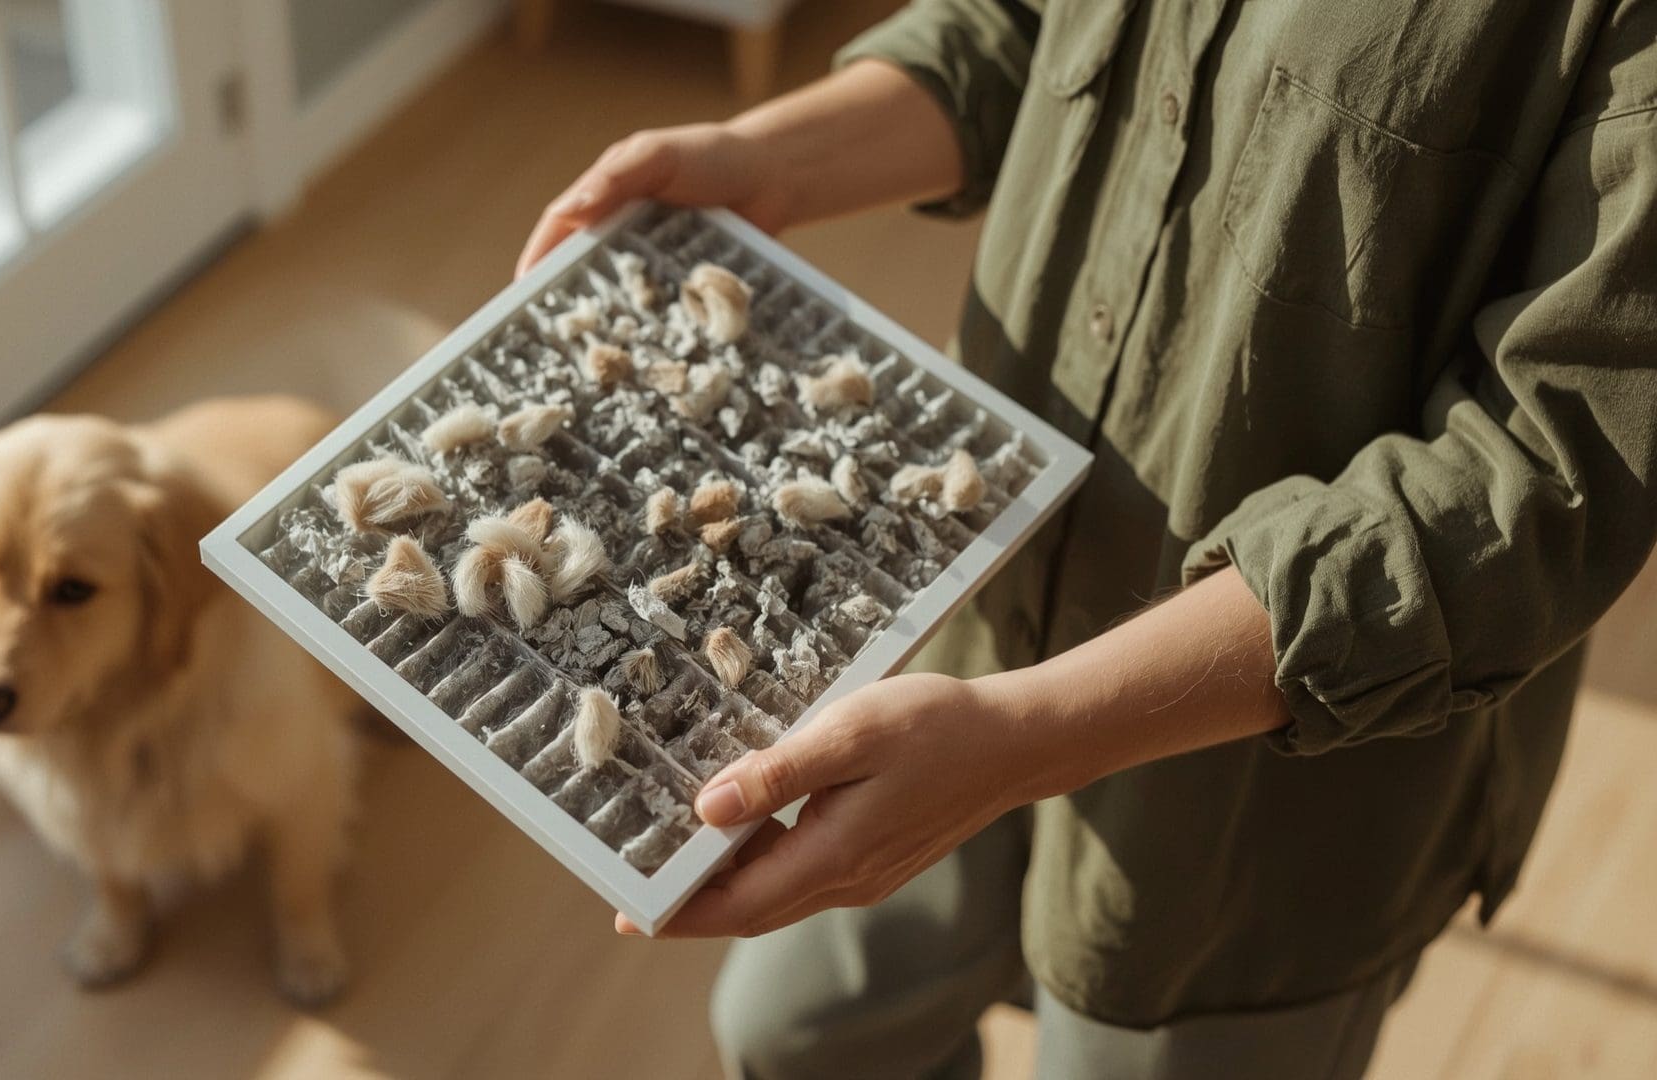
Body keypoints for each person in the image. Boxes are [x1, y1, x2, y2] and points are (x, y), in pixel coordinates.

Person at [517, 2, 1657, 1077]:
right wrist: (770, 160)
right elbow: (1021, 29)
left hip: (1257, 799)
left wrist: (1027, 738)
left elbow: (1542, 478)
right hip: (962, 607)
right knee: (796, 1035)